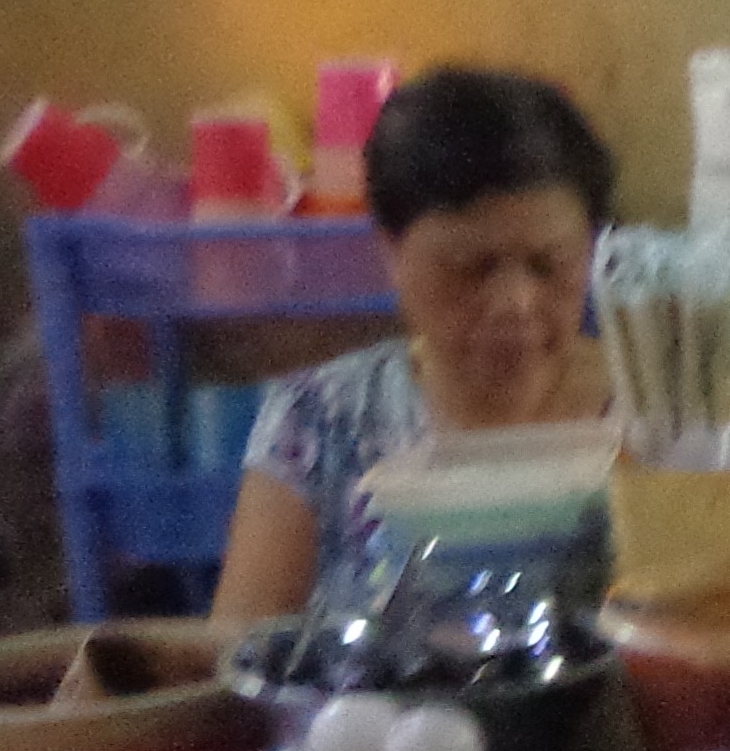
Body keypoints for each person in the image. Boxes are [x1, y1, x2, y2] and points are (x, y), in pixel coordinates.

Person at [207, 67, 617, 625]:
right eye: (470, 268)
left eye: (550, 265)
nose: (516, 302)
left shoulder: (654, 420)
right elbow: (238, 655)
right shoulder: (319, 423)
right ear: (390, 253)